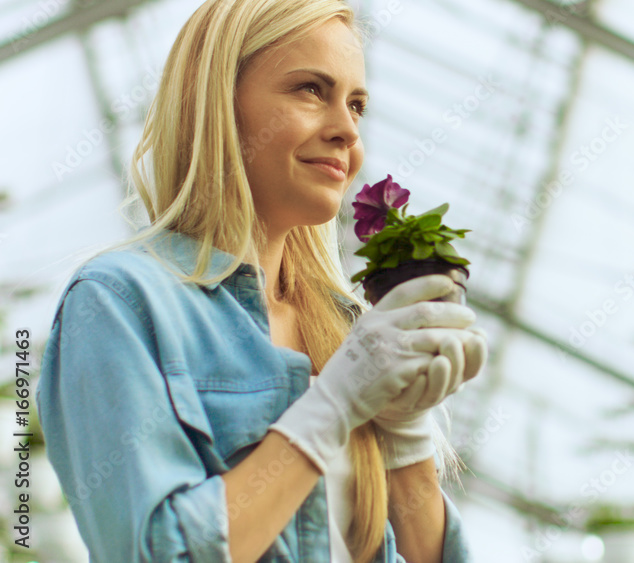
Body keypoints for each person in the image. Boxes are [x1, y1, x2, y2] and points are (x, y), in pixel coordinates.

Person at [36, 0, 488, 561]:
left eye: (357, 105)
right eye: (310, 90)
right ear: (217, 104)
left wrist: (406, 439)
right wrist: (331, 406)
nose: (347, 130)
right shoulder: (119, 303)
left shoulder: (347, 329)